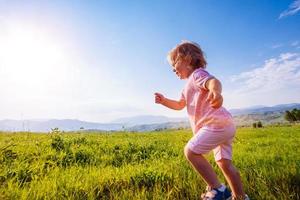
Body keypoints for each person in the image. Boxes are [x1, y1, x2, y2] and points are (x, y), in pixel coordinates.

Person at [154, 41, 249, 200]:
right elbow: (179, 105)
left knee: (190, 151)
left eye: (175, 63)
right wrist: (164, 101)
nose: (172, 68)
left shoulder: (197, 75)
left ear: (188, 59)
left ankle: (217, 189)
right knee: (224, 164)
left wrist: (215, 91)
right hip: (225, 125)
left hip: (215, 124)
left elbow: (213, 81)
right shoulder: (187, 87)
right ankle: (240, 197)